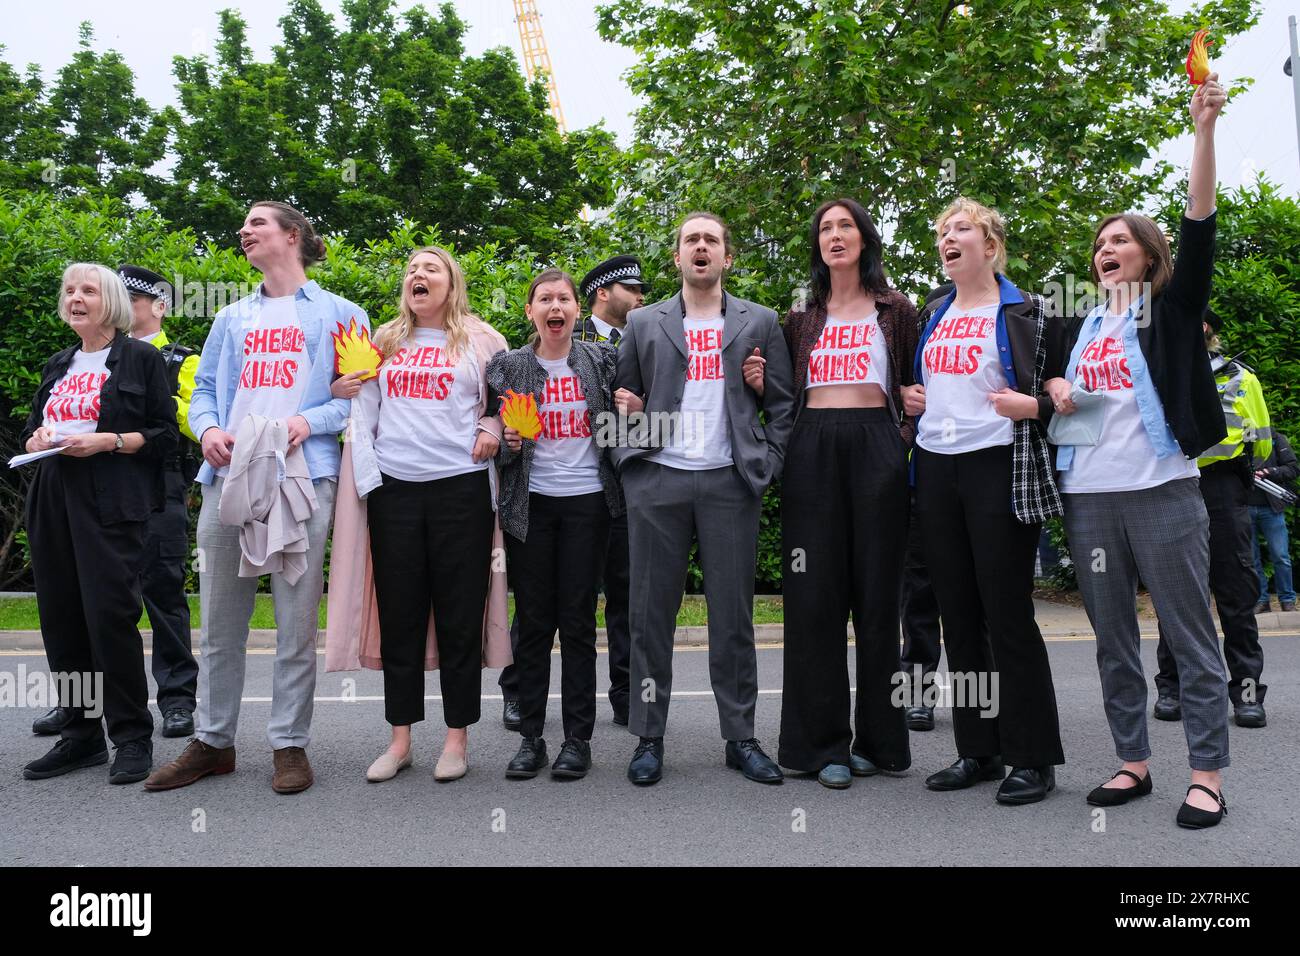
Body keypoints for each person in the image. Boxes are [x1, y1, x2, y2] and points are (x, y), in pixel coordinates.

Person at [1048, 73, 1232, 828]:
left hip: (1163, 493)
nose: (1105, 250)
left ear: (1147, 255)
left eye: (1119, 239)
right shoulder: (1083, 327)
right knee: (1113, 641)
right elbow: (1083, 417)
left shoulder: (1172, 308)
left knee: (1189, 636)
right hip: (1091, 499)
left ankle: (1207, 775)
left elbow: (1198, 221)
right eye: (1098, 244)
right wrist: (1061, 392)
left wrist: (1203, 130)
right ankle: (1132, 763)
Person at [145, 201, 367, 795]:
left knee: (295, 621)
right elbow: (205, 392)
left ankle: (289, 745)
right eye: (244, 225)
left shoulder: (344, 315)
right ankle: (213, 741)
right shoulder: (231, 318)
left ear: (292, 235)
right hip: (230, 477)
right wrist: (211, 430)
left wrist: (308, 421)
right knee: (220, 620)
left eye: (257, 224)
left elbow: (356, 400)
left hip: (303, 476)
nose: (244, 231)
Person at [612, 210, 795, 786]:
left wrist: (765, 465)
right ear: (677, 257)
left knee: (734, 619)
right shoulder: (643, 323)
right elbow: (618, 403)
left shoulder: (760, 322)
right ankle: (648, 737)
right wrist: (631, 464)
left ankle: (740, 737)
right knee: (648, 617)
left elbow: (784, 407)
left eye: (711, 240)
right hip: (657, 481)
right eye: (690, 239)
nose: (700, 247)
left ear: (726, 257)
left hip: (728, 482)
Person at [901, 198, 1066, 806]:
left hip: (998, 466)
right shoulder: (934, 312)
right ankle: (979, 749)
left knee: (1007, 613)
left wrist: (1041, 401)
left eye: (961, 229)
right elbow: (924, 387)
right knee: (959, 617)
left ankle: (1033, 757)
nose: (948, 237)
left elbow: (1063, 391)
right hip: (937, 471)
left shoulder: (1029, 312)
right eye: (942, 231)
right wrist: (910, 398)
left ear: (991, 245)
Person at [323, 246, 509, 782]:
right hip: (394, 491)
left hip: (462, 492)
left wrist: (493, 429)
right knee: (400, 616)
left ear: (452, 283)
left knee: (458, 616)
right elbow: (358, 405)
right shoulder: (382, 340)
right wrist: (341, 388)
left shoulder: (483, 340)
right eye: (411, 270)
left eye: (430, 269)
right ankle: (400, 739)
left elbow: (506, 403)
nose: (417, 275)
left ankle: (456, 740)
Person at [777, 198, 916, 789]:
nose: (836, 235)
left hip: (875, 447)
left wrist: (900, 440)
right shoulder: (801, 315)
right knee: (814, 602)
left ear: (865, 238)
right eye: (826, 229)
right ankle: (821, 746)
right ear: (818, 244)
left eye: (847, 226)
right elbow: (783, 391)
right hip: (812, 449)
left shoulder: (897, 308)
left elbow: (915, 382)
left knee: (880, 600)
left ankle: (880, 742)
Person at [20, 263, 177, 784]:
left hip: (110, 497)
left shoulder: (140, 359)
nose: (75, 298)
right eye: (68, 290)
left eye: (87, 289)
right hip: (52, 494)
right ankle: (81, 736)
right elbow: (30, 431)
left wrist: (108, 440)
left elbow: (162, 437)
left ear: (109, 299)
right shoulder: (56, 363)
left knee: (108, 616)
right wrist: (38, 441)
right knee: (61, 617)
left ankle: (131, 735)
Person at [498, 254, 645, 731]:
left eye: (563, 299)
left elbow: (634, 423)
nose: (554, 306)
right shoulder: (507, 368)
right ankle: (527, 722)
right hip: (532, 505)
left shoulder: (604, 361)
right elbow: (486, 434)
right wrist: (505, 443)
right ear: (530, 311)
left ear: (578, 309)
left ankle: (579, 736)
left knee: (582, 620)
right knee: (535, 618)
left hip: (593, 503)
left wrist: (637, 411)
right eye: (545, 299)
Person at [1153, 309, 1271, 729]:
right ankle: (1172, 688)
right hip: (1175, 485)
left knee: (1236, 592)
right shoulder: (1159, 371)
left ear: (1207, 330)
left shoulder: (1243, 378)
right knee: (1176, 592)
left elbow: (1263, 444)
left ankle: (1245, 694)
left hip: (1223, 489)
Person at [1250, 430, 1297, 613]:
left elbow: (1293, 468)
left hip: (1272, 508)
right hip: (1244, 507)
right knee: (1252, 559)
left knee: (1281, 556)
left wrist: (1270, 471)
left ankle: (1287, 600)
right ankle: (1261, 601)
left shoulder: (1276, 438)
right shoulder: (1236, 440)